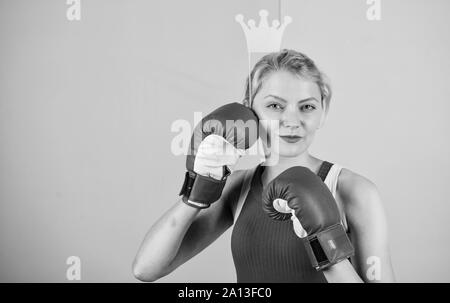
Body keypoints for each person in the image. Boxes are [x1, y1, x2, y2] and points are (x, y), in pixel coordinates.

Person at [132, 49, 395, 283]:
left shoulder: (353, 190)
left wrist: (327, 246)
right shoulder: (239, 186)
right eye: (275, 106)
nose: (291, 120)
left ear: (323, 112)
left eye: (307, 107)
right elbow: (146, 269)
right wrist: (198, 188)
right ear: (248, 111)